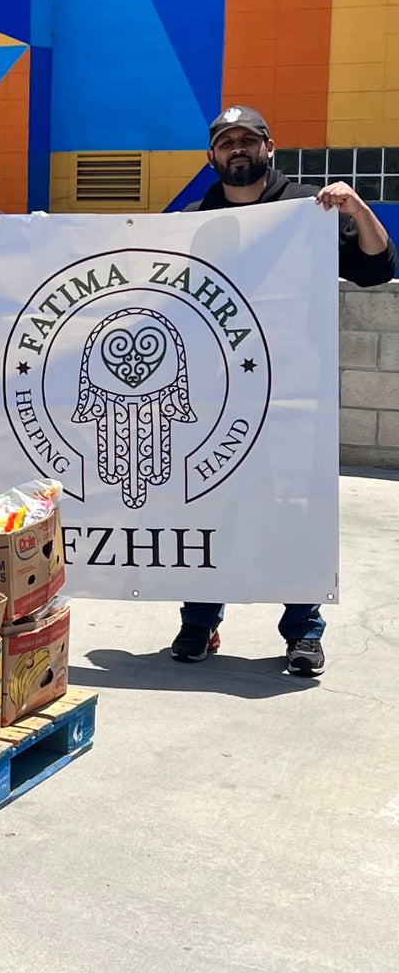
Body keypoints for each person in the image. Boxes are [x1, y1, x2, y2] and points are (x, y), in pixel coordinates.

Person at [171, 105, 398, 676]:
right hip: (218, 399)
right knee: (210, 507)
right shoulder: (195, 221)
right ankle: (199, 621)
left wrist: (357, 207)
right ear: (213, 156)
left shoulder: (310, 211)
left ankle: (302, 630)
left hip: (295, 397)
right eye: (227, 143)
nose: (238, 150)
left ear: (269, 147)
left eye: (249, 140)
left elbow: (375, 269)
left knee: (296, 510)